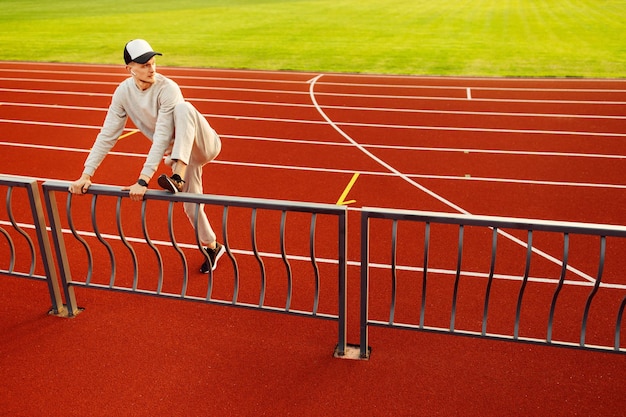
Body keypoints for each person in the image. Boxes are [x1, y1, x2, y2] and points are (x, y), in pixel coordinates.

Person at [69, 39, 225, 273]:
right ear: (129, 68)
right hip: (178, 155)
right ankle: (213, 246)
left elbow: (162, 135)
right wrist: (86, 174)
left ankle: (178, 178)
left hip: (203, 144)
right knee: (191, 207)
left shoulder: (168, 88)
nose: (151, 68)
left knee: (184, 108)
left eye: (152, 63)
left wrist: (143, 180)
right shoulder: (123, 92)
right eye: (143, 64)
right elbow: (107, 135)